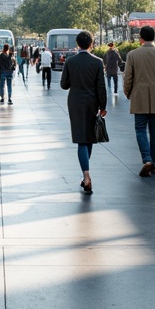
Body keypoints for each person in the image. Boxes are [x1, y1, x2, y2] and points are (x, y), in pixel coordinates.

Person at [61, 30, 107, 194]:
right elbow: (101, 86)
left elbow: (64, 85)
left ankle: (86, 175)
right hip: (92, 103)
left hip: (75, 103)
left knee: (81, 139)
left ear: (77, 44)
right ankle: (85, 174)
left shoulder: (70, 61)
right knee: (89, 138)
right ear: (92, 44)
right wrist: (103, 106)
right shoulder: (97, 62)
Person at [122, 25, 155, 177]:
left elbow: (128, 77)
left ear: (140, 38)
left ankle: (147, 160)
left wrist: (127, 92)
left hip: (139, 97)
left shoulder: (132, 54)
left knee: (140, 129)